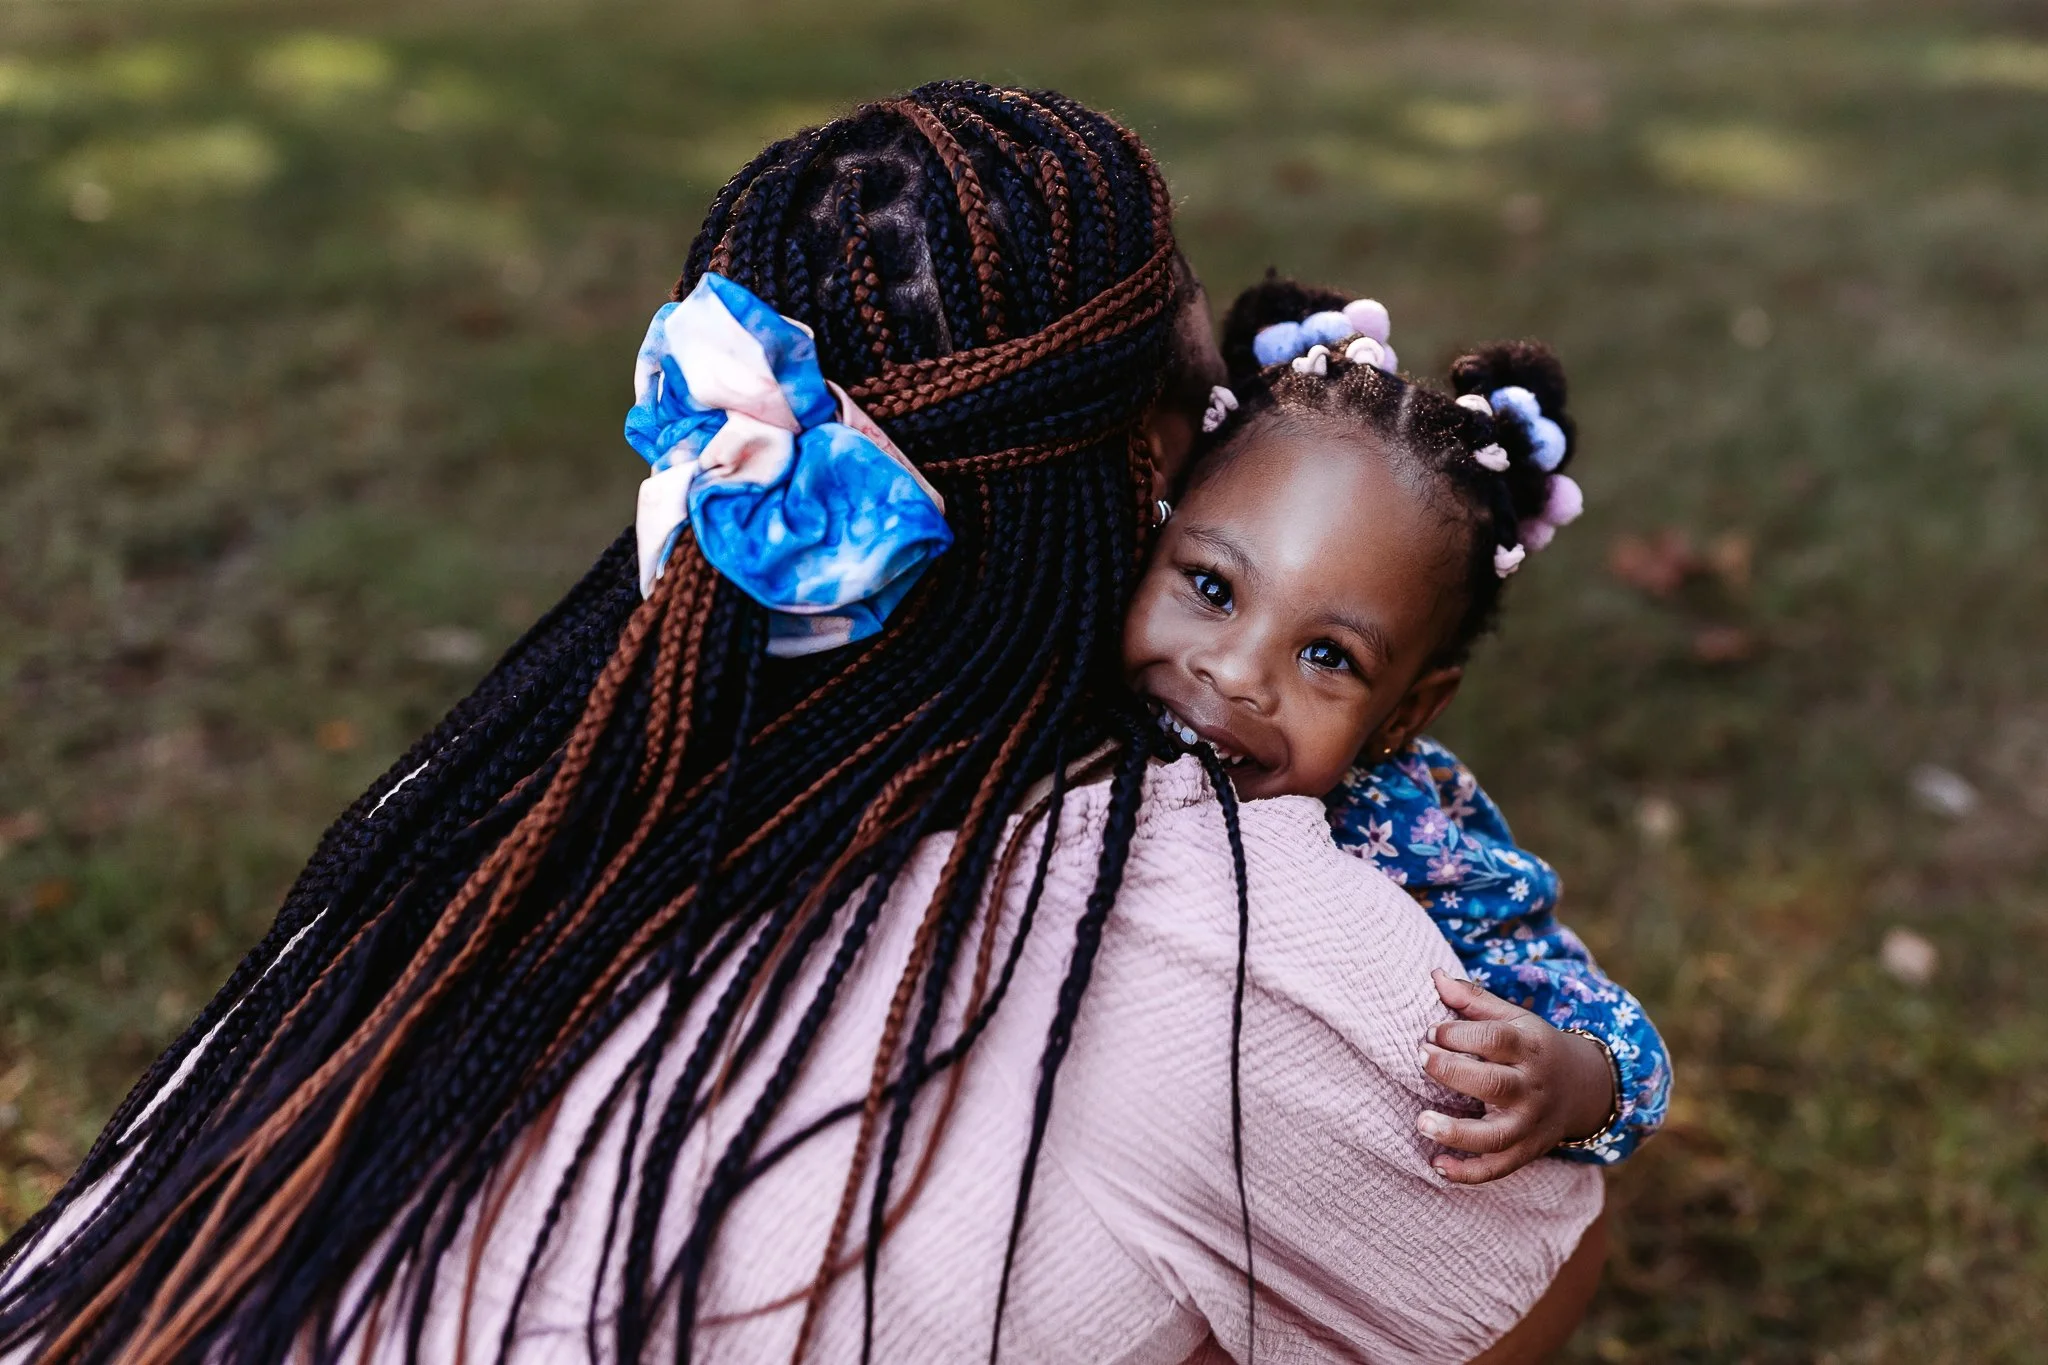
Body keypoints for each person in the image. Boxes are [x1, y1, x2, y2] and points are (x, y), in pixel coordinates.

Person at [0, 85, 1600, 1364]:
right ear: (1131, 503)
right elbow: (1520, 1255)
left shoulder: (502, 794)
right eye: (1198, 454)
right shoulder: (1232, 949)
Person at [1126, 275, 1671, 1182]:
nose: (1234, 671)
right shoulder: (1076, 696)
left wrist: (1573, 1078)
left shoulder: (1408, 844)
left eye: (1329, 656)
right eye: (1214, 589)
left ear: (1404, 717)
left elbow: (1617, 1033)